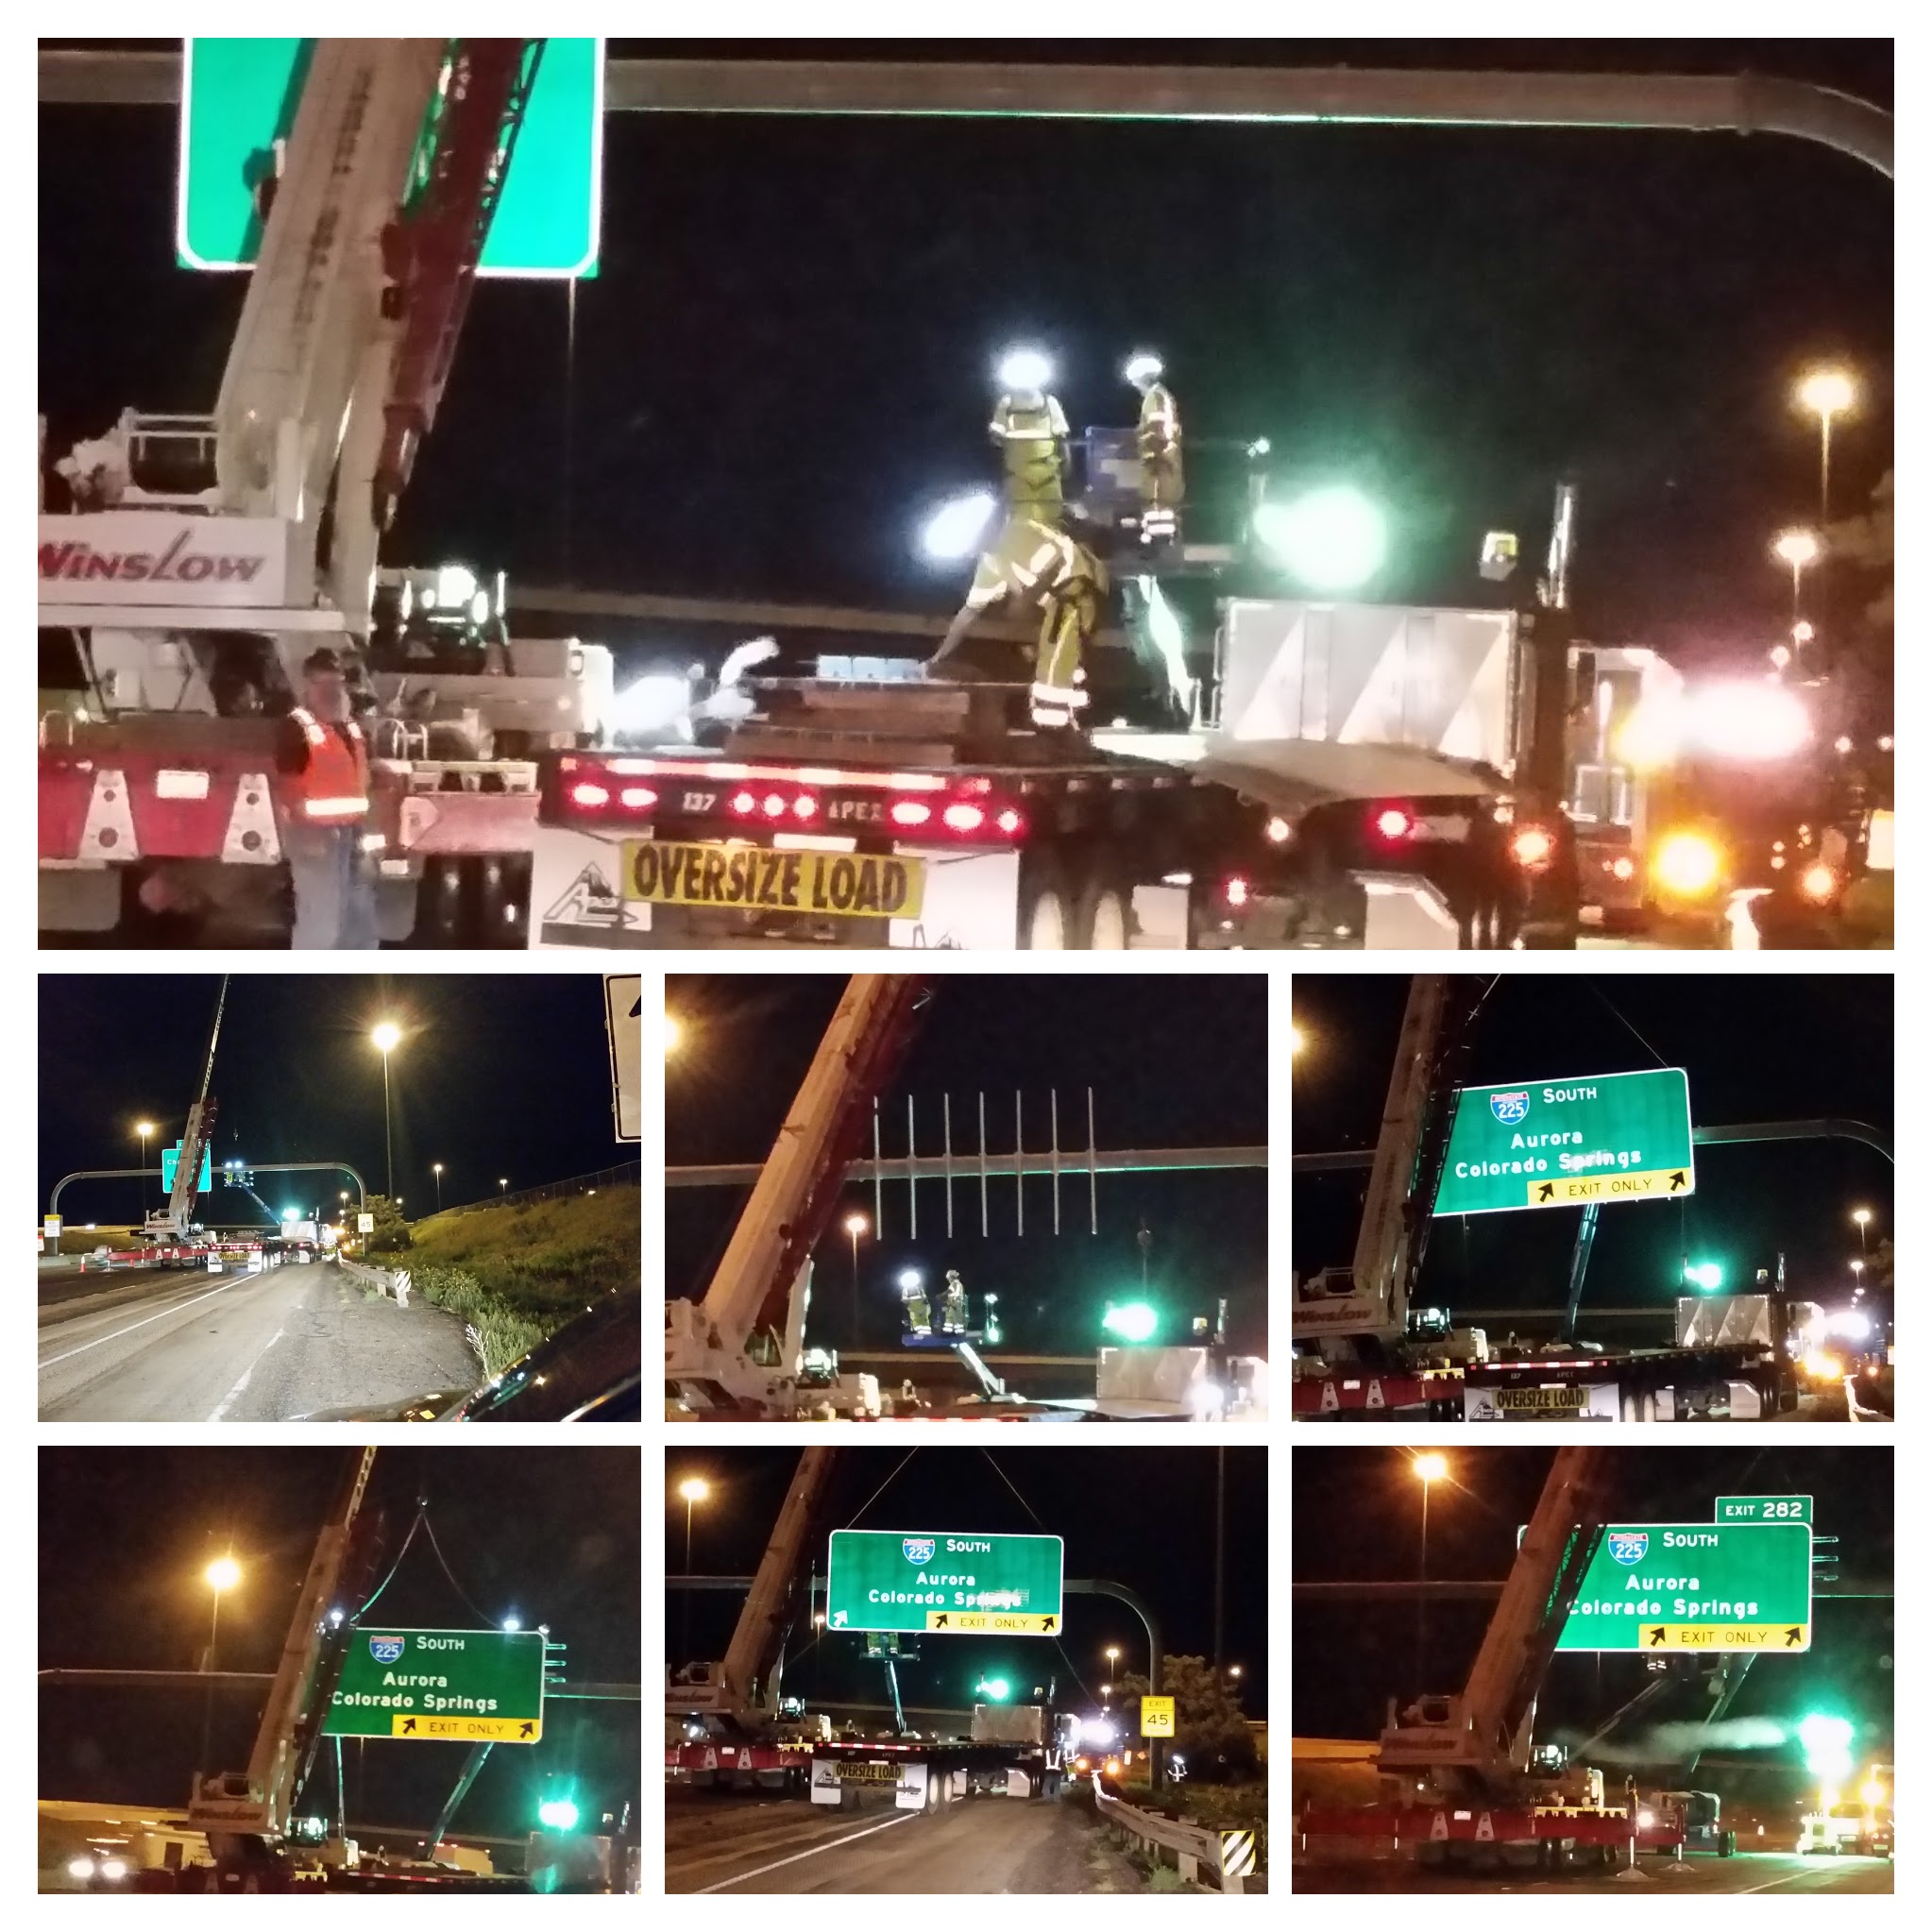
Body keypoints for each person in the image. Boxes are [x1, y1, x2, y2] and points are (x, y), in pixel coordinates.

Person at [930, 348, 1107, 728]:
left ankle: (1055, 732)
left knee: (1053, 679)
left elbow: (1052, 568)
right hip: (1068, 593)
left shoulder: (1018, 533)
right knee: (1057, 667)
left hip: (1080, 590)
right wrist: (938, 657)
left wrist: (1022, 601)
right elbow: (967, 615)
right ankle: (1065, 727)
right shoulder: (992, 560)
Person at [280, 647, 378, 949]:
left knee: (357, 921)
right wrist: (302, 831)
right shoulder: (295, 728)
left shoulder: (350, 727)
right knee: (321, 923)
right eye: (322, 684)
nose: (331, 691)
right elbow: (287, 783)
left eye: (336, 683)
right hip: (316, 838)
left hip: (352, 836)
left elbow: (358, 774)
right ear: (307, 688)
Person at [1123, 351, 1182, 545]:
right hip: (1157, 461)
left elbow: (1157, 429)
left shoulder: (1155, 397)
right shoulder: (1158, 395)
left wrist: (1154, 453)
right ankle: (1154, 538)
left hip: (1159, 462)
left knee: (1160, 506)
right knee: (1156, 505)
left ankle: (1159, 542)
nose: (1135, 386)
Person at [941, 1269, 970, 1335]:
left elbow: (951, 1292)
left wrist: (941, 1296)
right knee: (954, 1318)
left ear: (951, 1277)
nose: (948, 1280)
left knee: (953, 1317)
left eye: (949, 1278)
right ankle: (954, 1331)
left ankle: (950, 1332)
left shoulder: (955, 1284)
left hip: (955, 1303)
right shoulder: (958, 1284)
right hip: (956, 1303)